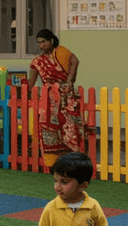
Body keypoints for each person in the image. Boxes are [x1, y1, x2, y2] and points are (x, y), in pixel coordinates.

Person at [27, 28, 86, 169]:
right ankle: (52, 162)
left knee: (69, 126)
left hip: (66, 96)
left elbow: (75, 61)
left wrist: (70, 80)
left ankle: (73, 161)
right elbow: (31, 81)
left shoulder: (61, 52)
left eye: (43, 42)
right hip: (48, 99)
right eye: (38, 43)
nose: (41, 45)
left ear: (51, 41)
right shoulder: (37, 61)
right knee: (49, 127)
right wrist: (22, 93)